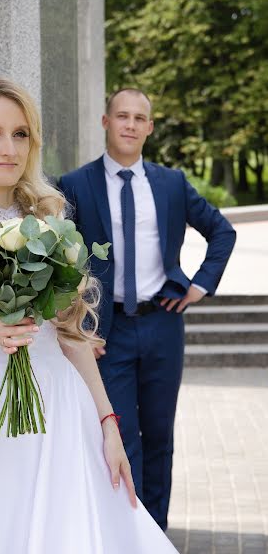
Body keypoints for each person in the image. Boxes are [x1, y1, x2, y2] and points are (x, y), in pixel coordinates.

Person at [0, 75, 179, 553]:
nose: (9, 148)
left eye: (20, 133)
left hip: (61, 406)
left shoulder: (51, 218)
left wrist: (108, 424)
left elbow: (72, 335)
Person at [59, 88, 236, 531]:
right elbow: (60, 260)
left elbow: (222, 231)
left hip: (162, 324)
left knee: (159, 437)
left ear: (150, 128)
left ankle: (156, 532)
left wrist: (198, 286)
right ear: (105, 121)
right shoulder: (75, 185)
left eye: (140, 118)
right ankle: (126, 534)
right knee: (118, 434)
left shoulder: (171, 183)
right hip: (108, 332)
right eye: (123, 116)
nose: (131, 125)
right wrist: (77, 325)